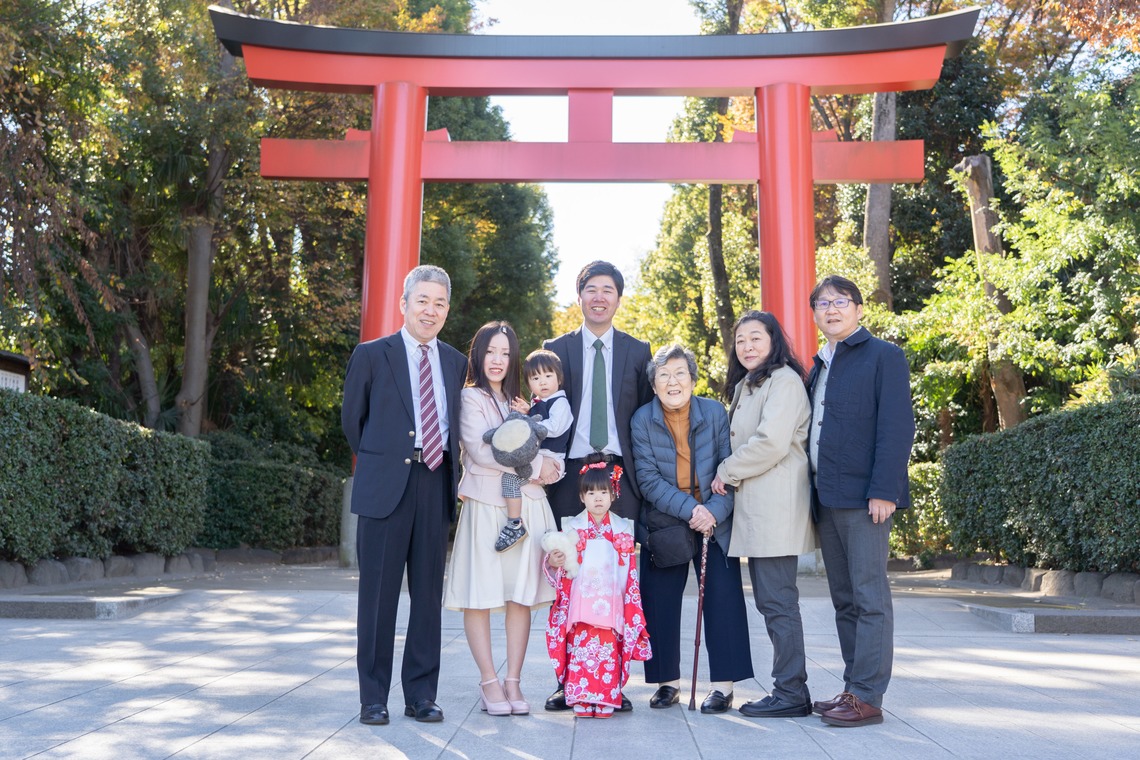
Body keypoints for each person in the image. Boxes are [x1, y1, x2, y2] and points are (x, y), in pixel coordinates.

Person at [341, 265, 467, 726]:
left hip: (435, 483)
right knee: (378, 597)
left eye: (439, 303)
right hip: (385, 487)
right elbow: (352, 422)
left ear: (447, 310)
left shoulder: (456, 362)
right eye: (422, 301)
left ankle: (421, 695)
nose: (430, 310)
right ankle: (373, 698)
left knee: (428, 596)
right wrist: (387, 460)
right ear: (404, 304)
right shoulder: (372, 355)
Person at [542, 260, 653, 712]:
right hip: (569, 474)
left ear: (619, 299)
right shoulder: (556, 349)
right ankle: (566, 679)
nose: (599, 297)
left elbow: (645, 413)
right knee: (569, 579)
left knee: (616, 581)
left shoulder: (638, 350)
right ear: (580, 296)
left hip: (619, 475)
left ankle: (610, 681)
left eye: (608, 289)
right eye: (591, 289)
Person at [805, 275, 915, 728]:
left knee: (870, 598)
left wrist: (884, 489)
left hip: (866, 498)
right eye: (823, 303)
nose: (831, 309)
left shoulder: (883, 356)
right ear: (814, 313)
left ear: (859, 308)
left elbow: (897, 426)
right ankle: (853, 689)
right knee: (845, 600)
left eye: (841, 301)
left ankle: (868, 697)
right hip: (826, 496)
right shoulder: (819, 365)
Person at [442, 321, 558, 718]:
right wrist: (539, 465)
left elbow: (536, 440)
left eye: (505, 353)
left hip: (528, 505)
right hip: (485, 506)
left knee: (519, 597)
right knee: (480, 594)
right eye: (490, 351)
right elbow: (482, 452)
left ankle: (514, 681)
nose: (497, 360)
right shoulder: (469, 397)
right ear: (478, 354)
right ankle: (489, 681)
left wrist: (551, 465)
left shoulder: (519, 402)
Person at [631, 344, 754, 714]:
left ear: (692, 378)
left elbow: (728, 469)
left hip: (713, 516)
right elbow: (648, 480)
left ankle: (723, 687)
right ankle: (666, 683)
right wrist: (692, 510)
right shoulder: (642, 419)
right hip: (666, 517)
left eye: (680, 373)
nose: (673, 382)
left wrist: (711, 512)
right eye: (664, 375)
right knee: (659, 599)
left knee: (723, 598)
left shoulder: (714, 413)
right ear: (654, 384)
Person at [710, 311, 817, 718]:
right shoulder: (750, 384)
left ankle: (791, 692)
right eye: (741, 340)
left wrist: (725, 470)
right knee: (773, 602)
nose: (747, 346)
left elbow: (770, 443)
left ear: (774, 341)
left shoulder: (784, 381)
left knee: (778, 602)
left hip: (775, 509)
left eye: (756, 337)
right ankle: (789, 688)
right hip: (760, 509)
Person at [543, 455, 652, 719]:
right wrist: (555, 562)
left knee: (606, 651)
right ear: (582, 497)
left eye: (603, 492)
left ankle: (606, 699)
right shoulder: (572, 527)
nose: (598, 498)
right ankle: (580, 697)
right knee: (582, 651)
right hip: (580, 606)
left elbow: (630, 573)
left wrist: (629, 605)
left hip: (611, 604)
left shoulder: (623, 529)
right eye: (591, 493)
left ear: (613, 495)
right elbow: (558, 566)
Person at [497, 350, 574, 553]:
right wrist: (528, 413)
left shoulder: (560, 403)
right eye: (536, 378)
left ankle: (514, 524)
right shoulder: (539, 403)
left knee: (509, 479)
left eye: (548, 375)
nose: (543, 382)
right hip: (540, 458)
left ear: (559, 378)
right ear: (529, 383)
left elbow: (554, 427)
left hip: (552, 460)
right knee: (517, 482)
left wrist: (527, 423)